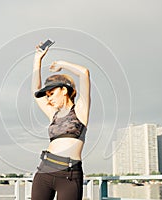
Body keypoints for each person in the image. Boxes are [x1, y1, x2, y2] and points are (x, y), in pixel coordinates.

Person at [31, 42, 91, 200]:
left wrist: (62, 64)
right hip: (44, 171)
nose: (48, 98)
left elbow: (84, 73)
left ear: (64, 90)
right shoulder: (54, 114)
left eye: (51, 93)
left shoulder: (80, 111)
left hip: (69, 175)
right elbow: (34, 90)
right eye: (47, 95)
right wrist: (37, 59)